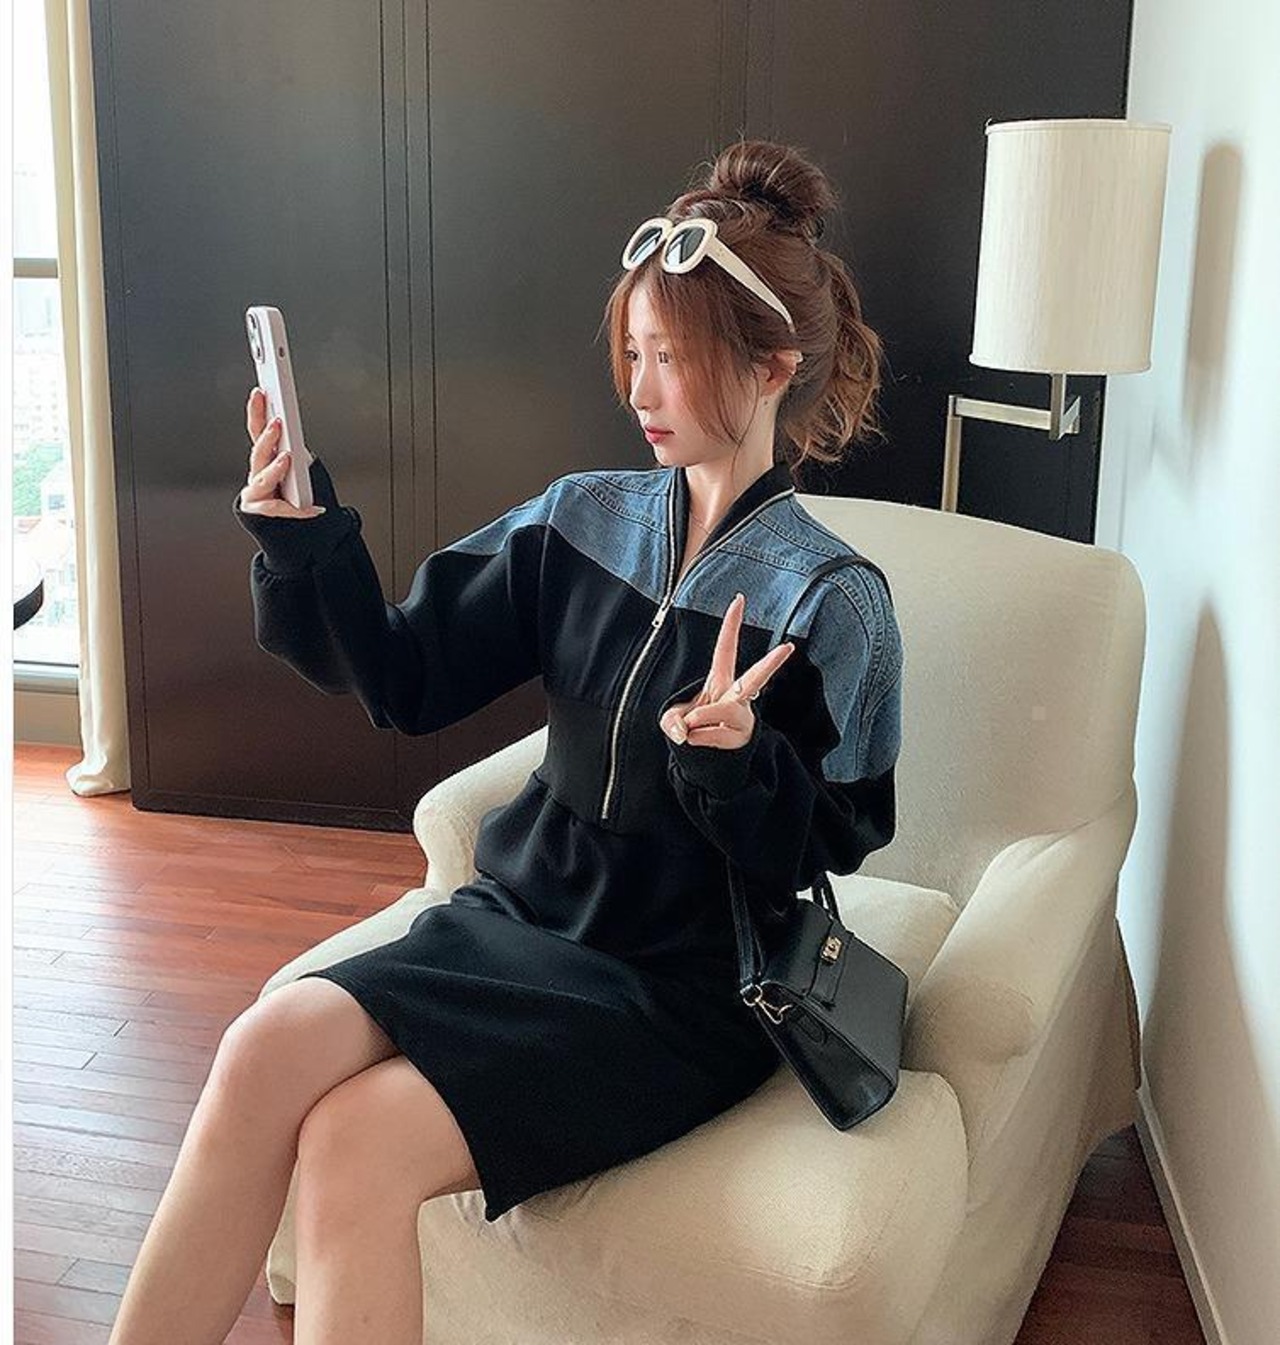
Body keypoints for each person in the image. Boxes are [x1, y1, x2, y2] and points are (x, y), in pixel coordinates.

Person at [107, 137, 903, 1344]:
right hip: (517, 917)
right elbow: (405, 676)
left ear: (771, 365)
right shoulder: (579, 520)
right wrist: (304, 535)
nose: (639, 390)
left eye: (672, 358)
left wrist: (735, 763)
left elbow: (839, 838)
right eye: (633, 352)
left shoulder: (831, 601)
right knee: (262, 1045)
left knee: (356, 1140)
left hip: (673, 980)